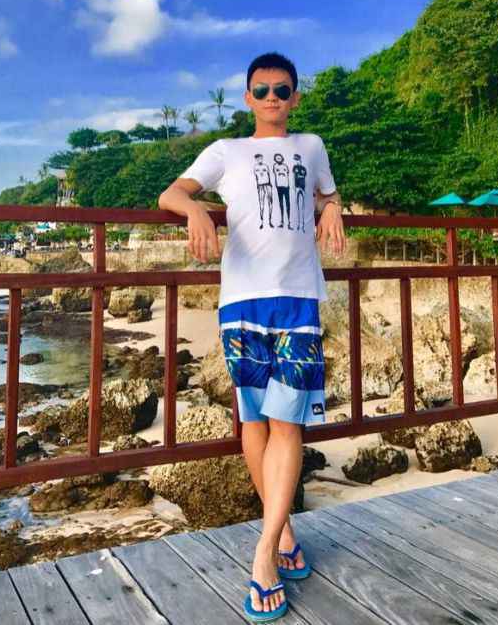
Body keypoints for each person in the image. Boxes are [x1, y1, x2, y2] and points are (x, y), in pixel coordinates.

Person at [158, 51, 346, 622]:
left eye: (281, 90)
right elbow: (171, 194)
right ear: (247, 98)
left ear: (295, 97)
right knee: (255, 421)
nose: (271, 98)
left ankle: (263, 553)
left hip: (297, 300)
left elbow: (325, 194)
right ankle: (282, 533)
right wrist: (196, 211)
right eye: (261, 90)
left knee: (288, 422)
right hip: (241, 302)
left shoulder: (311, 146)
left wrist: (334, 206)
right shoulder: (226, 151)